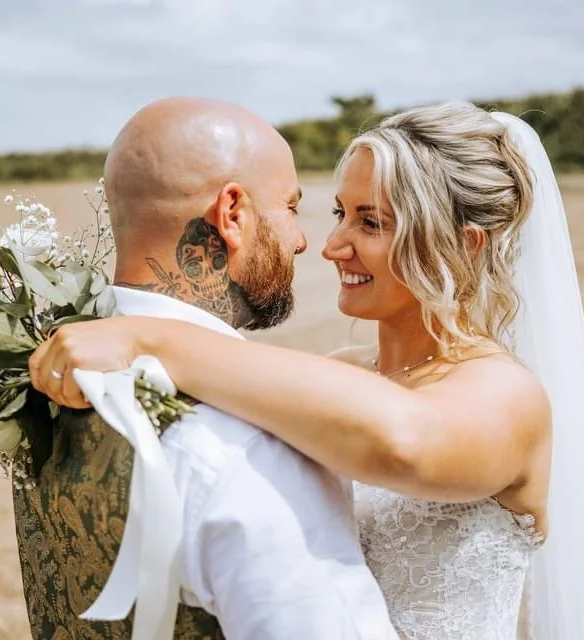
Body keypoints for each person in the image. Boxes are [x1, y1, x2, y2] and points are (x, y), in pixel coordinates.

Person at [34, 101, 584, 639]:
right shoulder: (341, 373)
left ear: (463, 246)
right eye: (339, 213)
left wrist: (150, 336)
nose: (331, 246)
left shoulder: (508, 394)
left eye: (371, 222)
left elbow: (403, 443)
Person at [20, 97, 400, 639]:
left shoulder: (39, 376)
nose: (301, 241)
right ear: (233, 213)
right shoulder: (254, 452)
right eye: (290, 207)